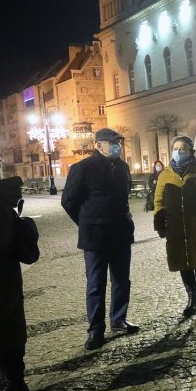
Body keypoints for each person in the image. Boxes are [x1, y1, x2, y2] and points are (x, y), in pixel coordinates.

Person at [61, 128, 138, 351]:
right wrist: (86, 222)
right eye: (112, 142)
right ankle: (96, 330)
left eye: (119, 142)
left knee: (122, 279)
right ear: (98, 145)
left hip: (120, 233)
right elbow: (69, 201)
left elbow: (125, 195)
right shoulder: (82, 168)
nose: (117, 146)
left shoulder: (122, 167)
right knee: (96, 284)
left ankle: (119, 320)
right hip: (95, 236)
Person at [153, 136, 196, 318]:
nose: (179, 152)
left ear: (190, 151)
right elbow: (159, 200)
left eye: (183, 149)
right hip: (176, 227)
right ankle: (192, 298)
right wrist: (159, 220)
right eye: (176, 148)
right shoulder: (165, 174)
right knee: (183, 262)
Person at [0, 156, 31, 391]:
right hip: (1, 275)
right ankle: (7, 380)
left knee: (6, 326)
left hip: (1, 276)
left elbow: (2, 242)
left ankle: (14, 384)